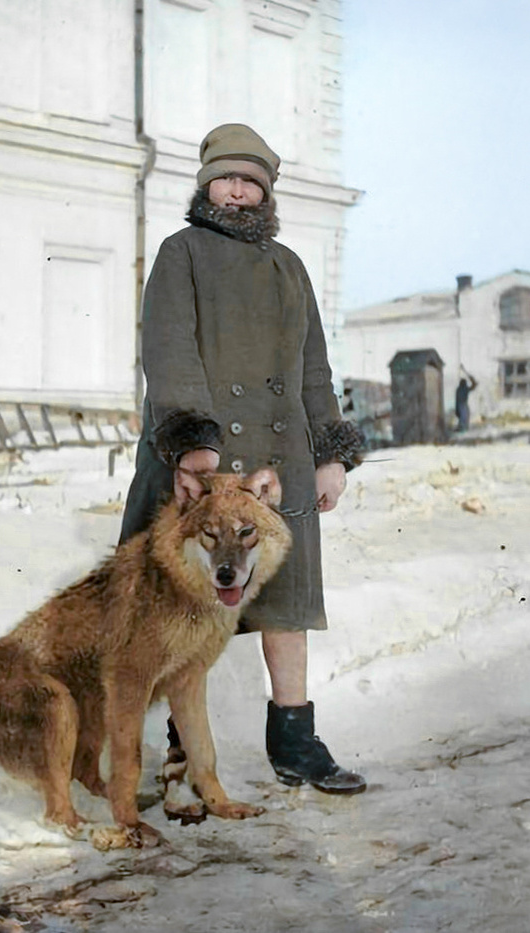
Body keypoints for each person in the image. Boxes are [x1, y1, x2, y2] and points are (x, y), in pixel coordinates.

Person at [120, 123, 366, 795]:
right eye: (226, 177)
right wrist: (193, 442)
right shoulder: (182, 252)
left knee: (286, 607)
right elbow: (169, 349)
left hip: (280, 462)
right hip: (202, 464)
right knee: (186, 613)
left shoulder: (290, 266)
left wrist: (330, 452)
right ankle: (179, 757)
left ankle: (296, 742)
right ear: (206, 185)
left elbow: (314, 368)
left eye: (249, 180)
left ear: (265, 193)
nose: (236, 188)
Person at [455, 367, 477, 432]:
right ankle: (462, 428)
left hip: (462, 404)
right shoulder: (463, 389)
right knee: (464, 416)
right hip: (462, 404)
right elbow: (473, 385)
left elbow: (473, 385)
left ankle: (462, 428)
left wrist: (471, 378)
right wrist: (472, 379)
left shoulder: (460, 389)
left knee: (464, 416)